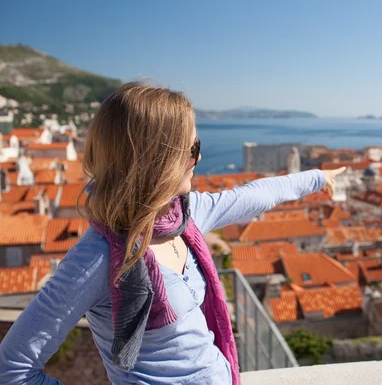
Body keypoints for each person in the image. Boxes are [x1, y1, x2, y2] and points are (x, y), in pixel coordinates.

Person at [0, 82, 346, 385]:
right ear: (158, 162)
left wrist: (318, 178)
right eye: (193, 149)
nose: (200, 157)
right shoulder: (99, 257)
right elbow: (12, 368)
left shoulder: (184, 217)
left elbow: (254, 195)